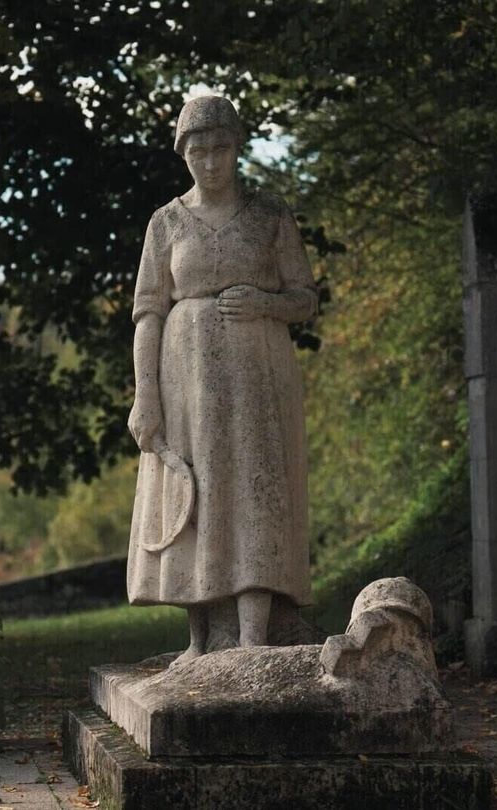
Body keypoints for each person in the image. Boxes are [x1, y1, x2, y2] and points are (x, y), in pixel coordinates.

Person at [127, 95, 318, 666]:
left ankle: (255, 636)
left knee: (255, 488)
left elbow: (305, 296)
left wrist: (265, 302)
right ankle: (201, 638)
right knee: (195, 493)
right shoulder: (166, 222)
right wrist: (145, 395)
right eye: (199, 151)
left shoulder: (269, 215)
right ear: (184, 154)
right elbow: (148, 311)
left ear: (238, 149)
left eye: (221, 149)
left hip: (258, 373)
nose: (210, 162)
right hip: (184, 376)